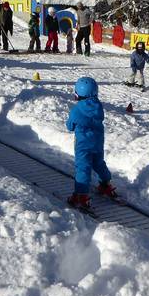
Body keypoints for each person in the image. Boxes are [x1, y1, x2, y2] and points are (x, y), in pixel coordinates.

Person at [65, 76, 118, 209]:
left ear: (78, 94)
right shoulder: (98, 106)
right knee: (98, 162)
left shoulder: (77, 110)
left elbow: (70, 126)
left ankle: (81, 195)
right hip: (98, 142)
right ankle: (106, 184)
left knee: (83, 167)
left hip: (83, 144)